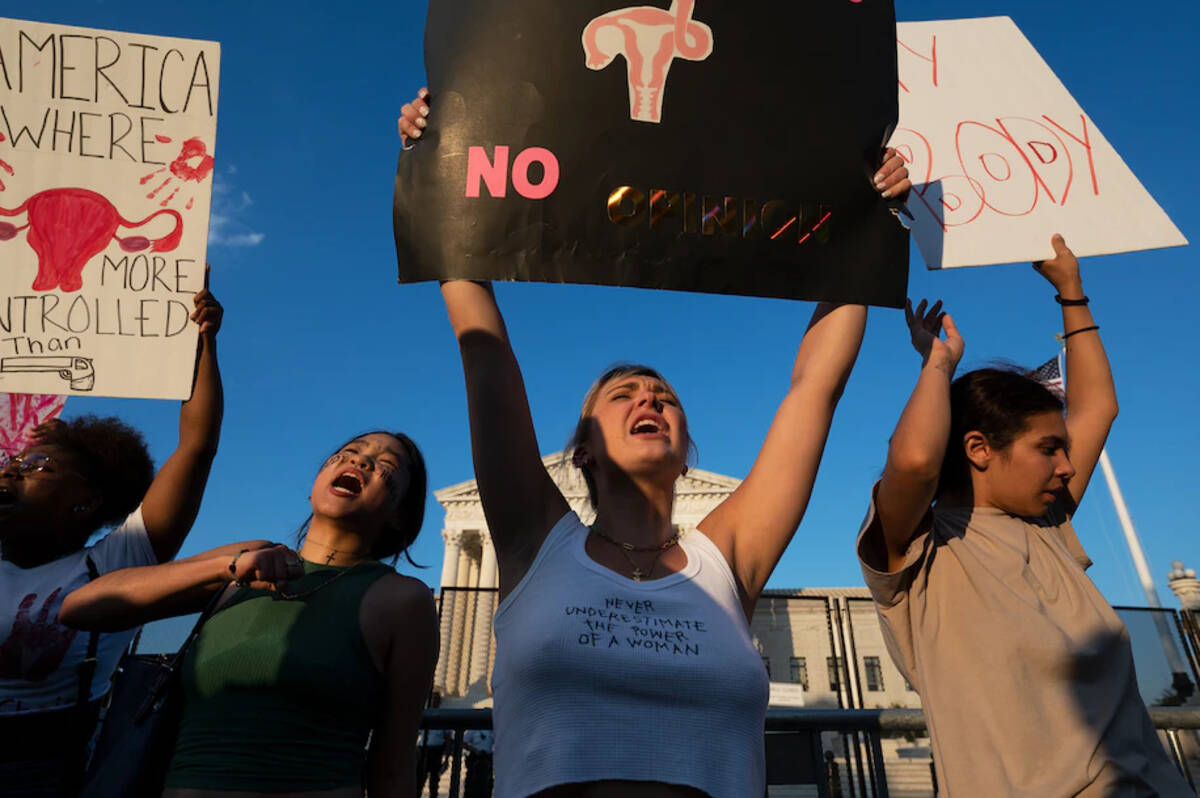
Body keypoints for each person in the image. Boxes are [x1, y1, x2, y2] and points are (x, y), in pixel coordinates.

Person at [399, 91, 911, 798]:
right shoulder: (533, 543)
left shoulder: (726, 555)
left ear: (685, 445)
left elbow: (813, 390)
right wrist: (441, 168)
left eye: (664, 396)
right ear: (581, 450)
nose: (650, 399)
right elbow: (486, 357)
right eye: (625, 395)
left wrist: (869, 219)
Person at [857, 235, 1193, 796]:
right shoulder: (923, 550)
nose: (1068, 466)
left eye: (1065, 448)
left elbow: (1099, 407)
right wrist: (938, 364)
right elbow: (915, 461)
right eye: (1048, 449)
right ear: (979, 449)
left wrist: (1071, 291)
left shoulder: (1051, 526)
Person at [60, 430, 439, 798]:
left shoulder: (401, 600)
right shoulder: (245, 560)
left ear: (400, 515)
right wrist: (226, 568)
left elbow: (392, 767)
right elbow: (80, 607)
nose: (362, 459)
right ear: (314, 485)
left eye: (386, 466)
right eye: (351, 451)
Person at [0, 285, 224, 798]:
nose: (13, 472)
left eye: (39, 467)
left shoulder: (116, 562)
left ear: (87, 501)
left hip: (42, 775)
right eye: (12, 463)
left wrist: (200, 342)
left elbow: (197, 445)